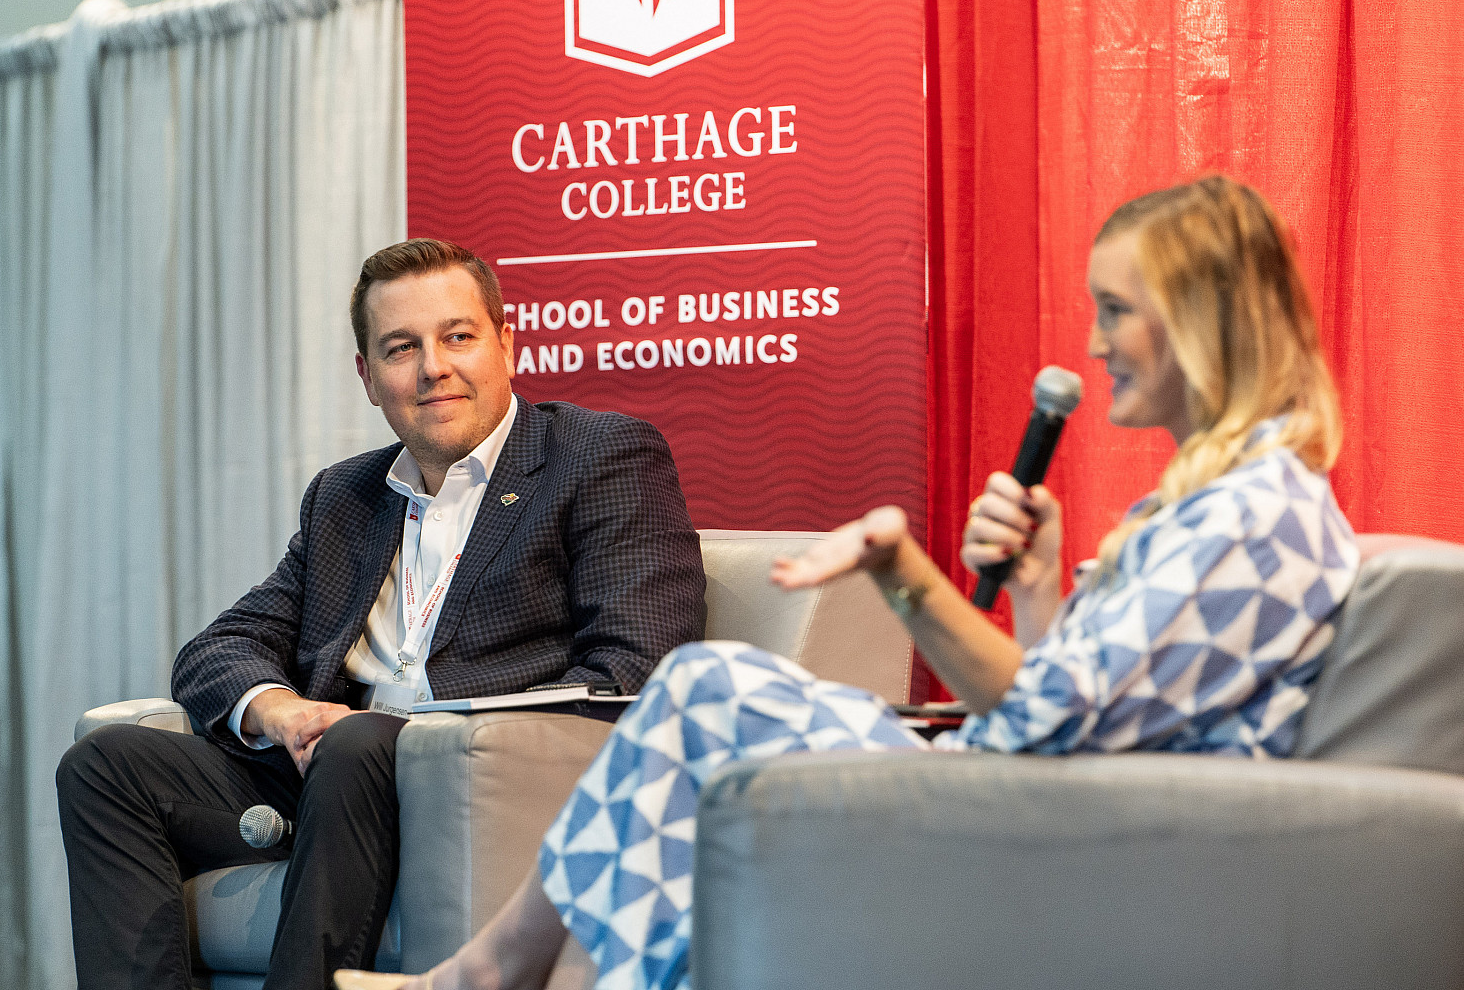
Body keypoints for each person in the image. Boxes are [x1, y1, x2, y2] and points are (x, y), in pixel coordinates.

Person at [335, 175, 1360, 990]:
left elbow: (1057, 724)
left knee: (699, 696)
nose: (1091, 343)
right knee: (699, 717)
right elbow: (1090, 706)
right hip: (1043, 786)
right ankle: (504, 974)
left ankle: (486, 972)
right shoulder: (1214, 501)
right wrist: (1041, 587)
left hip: (1066, 828)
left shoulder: (1254, 511)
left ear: (1202, 318)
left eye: (1116, 310)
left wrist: (905, 573)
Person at [55, 239, 708, 990]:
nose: (434, 367)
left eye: (458, 336)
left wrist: (430, 738)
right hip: (330, 774)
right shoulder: (347, 496)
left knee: (363, 740)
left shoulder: (597, 457)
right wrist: (282, 714)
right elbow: (222, 645)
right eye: (401, 348)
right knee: (108, 765)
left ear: (507, 344)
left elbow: (635, 671)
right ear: (369, 378)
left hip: (481, 777)